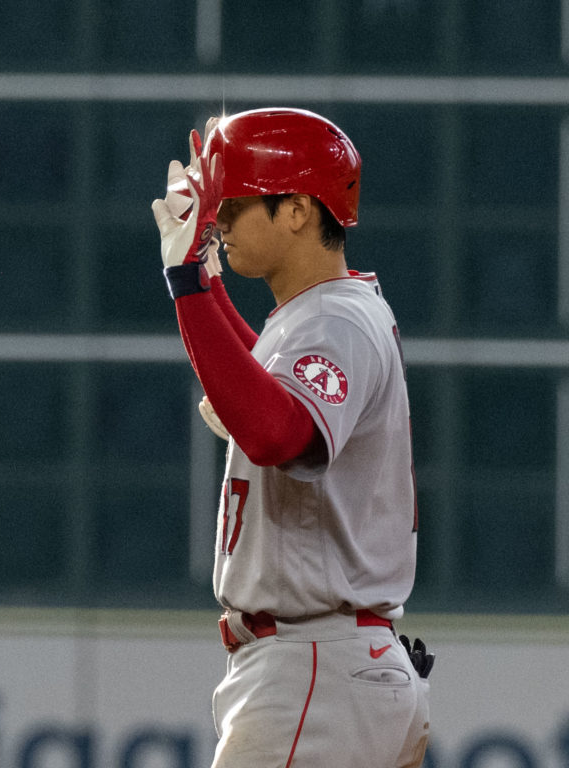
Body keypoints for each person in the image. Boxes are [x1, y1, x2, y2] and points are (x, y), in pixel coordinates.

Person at [151, 108, 432, 768]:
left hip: (316, 669)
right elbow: (262, 395)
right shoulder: (322, 314)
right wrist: (201, 283)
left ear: (300, 210)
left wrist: (191, 284)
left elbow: (280, 434)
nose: (219, 222)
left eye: (238, 204)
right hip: (338, 665)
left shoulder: (336, 318)